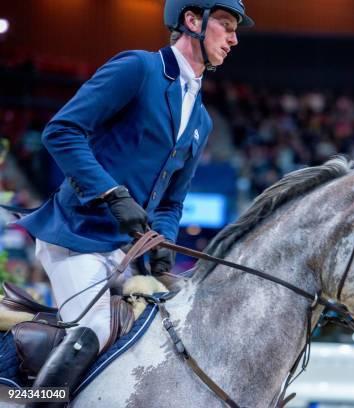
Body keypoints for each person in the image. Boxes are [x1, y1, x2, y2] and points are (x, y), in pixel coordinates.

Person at [16, 1, 253, 405]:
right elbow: (62, 131)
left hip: (124, 253)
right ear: (192, 22)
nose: (233, 39)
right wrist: (111, 192)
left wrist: (162, 245)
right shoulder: (138, 69)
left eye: (235, 30)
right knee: (94, 325)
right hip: (76, 235)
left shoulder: (201, 118)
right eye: (226, 25)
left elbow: (172, 201)